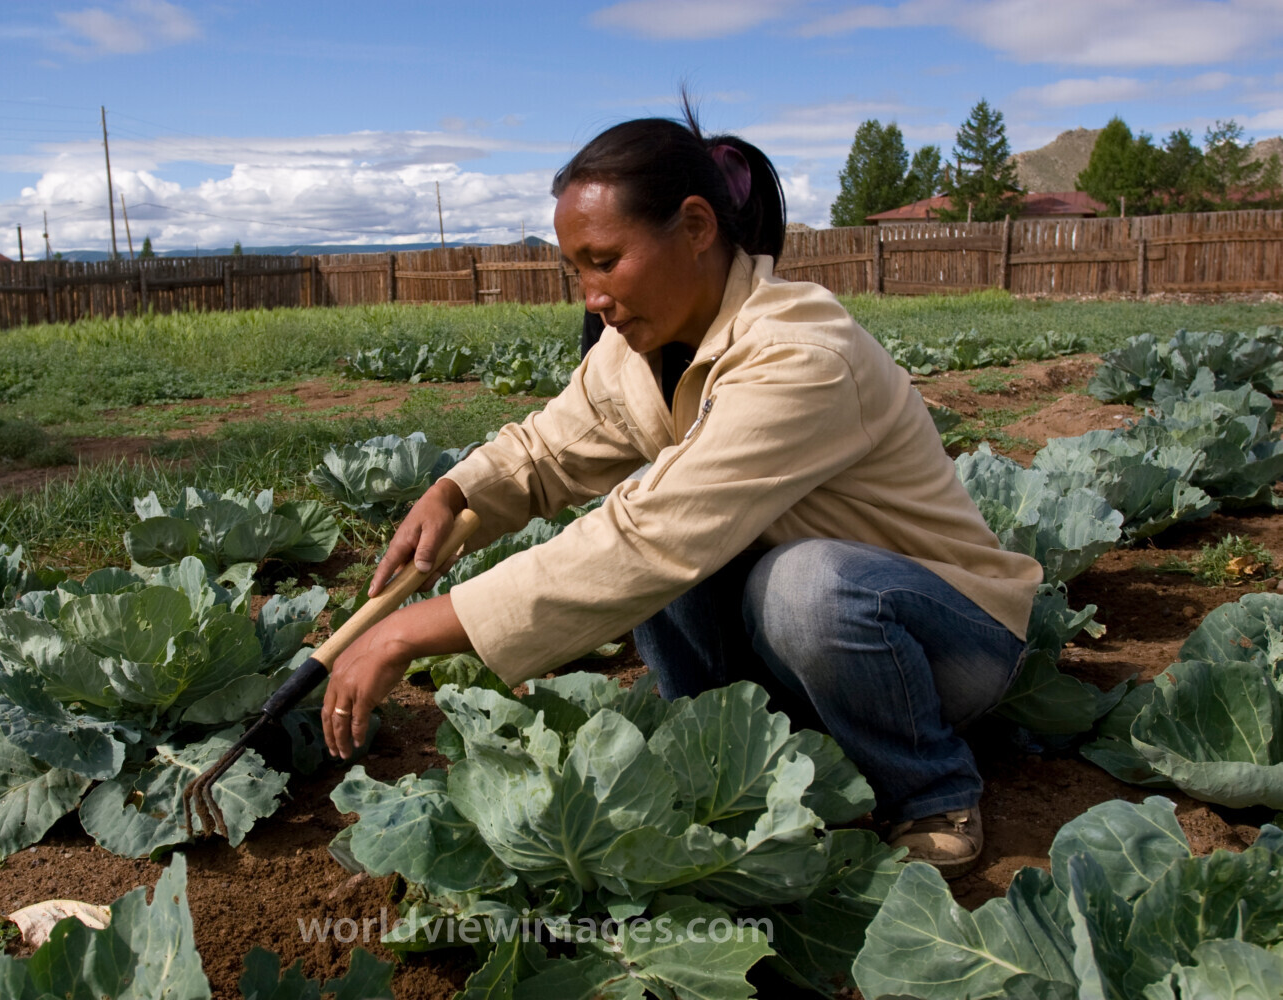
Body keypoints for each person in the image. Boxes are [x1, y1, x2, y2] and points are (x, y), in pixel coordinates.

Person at [321, 101, 1043, 878]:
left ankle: (929, 786)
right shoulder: (642, 345)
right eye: (577, 270)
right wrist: (454, 492)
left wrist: (407, 631)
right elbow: (549, 446)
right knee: (686, 523)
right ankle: (723, 754)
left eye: (605, 260)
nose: (591, 295)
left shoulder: (800, 350)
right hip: (812, 653)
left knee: (798, 582)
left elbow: (652, 536)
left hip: (945, 641)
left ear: (697, 227)